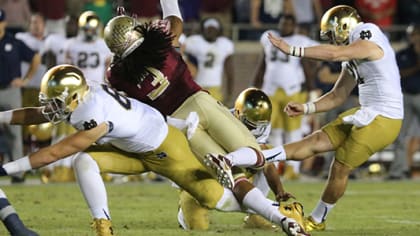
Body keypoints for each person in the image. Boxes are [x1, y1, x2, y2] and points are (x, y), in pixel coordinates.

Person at [0, 64, 307, 236]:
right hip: (137, 147)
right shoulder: (84, 94)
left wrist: (5, 169)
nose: (51, 109)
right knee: (85, 162)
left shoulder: (89, 112)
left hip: (166, 148)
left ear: (74, 97)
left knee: (226, 202)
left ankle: (279, 213)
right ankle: (103, 227)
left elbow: (54, 153)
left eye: (56, 102)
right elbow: (36, 114)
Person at [104, 2, 308, 235]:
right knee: (255, 157)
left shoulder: (117, 74)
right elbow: (173, 14)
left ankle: (273, 214)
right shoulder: (160, 40)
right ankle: (275, 213)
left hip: (176, 125)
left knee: (234, 178)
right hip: (199, 102)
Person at [219, 5, 403, 232]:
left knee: (339, 167)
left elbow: (335, 54)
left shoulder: (368, 32)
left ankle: (316, 221)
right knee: (315, 141)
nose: (334, 40)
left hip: (384, 117)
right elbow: (337, 96)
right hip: (367, 112)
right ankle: (257, 157)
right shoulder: (352, 56)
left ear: (344, 27)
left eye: (333, 34)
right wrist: (306, 108)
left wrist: (293, 50)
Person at [176, 88, 295, 230]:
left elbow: (266, 164)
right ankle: (186, 206)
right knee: (197, 226)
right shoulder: (219, 119)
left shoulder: (262, 126)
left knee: (267, 154)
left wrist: (279, 192)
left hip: (232, 169)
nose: (255, 130)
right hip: (205, 169)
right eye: (251, 125)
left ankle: (256, 215)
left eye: (260, 125)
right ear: (238, 114)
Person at [253, 14, 319, 180]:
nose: (286, 26)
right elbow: (262, 64)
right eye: (284, 23)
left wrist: (311, 89)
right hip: (270, 90)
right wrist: (254, 86)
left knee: (293, 131)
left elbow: (306, 65)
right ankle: (275, 166)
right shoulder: (269, 37)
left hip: (292, 90)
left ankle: (293, 168)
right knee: (272, 130)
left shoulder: (299, 40)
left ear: (294, 25)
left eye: (289, 23)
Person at [0, 8, 41, 183]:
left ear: (4, 23)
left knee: (15, 133)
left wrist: (26, 80)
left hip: (10, 90)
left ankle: (17, 174)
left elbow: (35, 57)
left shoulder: (13, 42)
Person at [387, 23, 420, 180]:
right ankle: (398, 170)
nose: (414, 38)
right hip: (405, 96)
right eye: (412, 35)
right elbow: (396, 74)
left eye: (416, 34)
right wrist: (416, 67)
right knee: (400, 135)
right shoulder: (403, 54)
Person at [182, 17, 234, 104]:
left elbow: (230, 72)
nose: (211, 32)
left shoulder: (224, 44)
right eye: (208, 29)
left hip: (215, 88)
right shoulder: (194, 41)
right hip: (197, 87)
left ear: (218, 31)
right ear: (203, 30)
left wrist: (229, 95)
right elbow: (181, 50)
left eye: (213, 29)